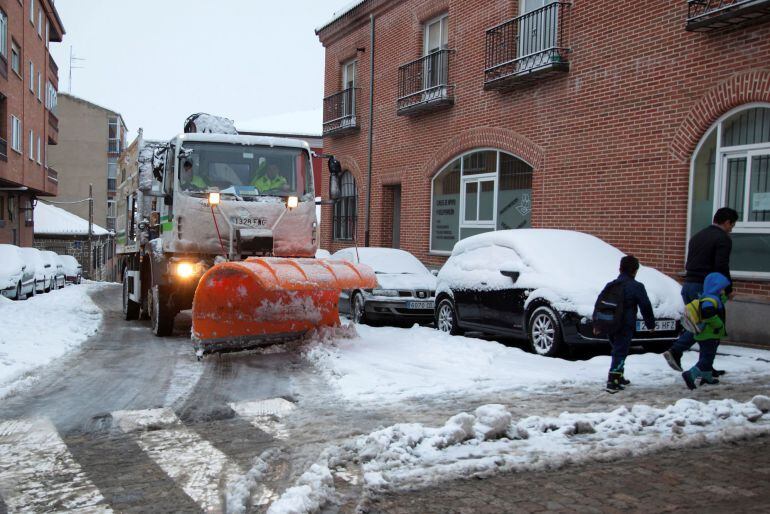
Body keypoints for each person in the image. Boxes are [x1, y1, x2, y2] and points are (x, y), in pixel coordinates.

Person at [663, 207, 738, 373]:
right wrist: (728, 289)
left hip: (688, 285)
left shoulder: (698, 235)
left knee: (699, 323)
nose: (731, 229)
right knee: (710, 325)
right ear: (727, 222)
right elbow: (721, 266)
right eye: (732, 225)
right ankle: (677, 351)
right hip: (705, 289)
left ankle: (706, 367)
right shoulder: (722, 239)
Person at [605, 255, 656, 393]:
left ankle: (619, 376)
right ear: (635, 271)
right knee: (620, 352)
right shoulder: (637, 287)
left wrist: (598, 325)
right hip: (625, 325)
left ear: (620, 269)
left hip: (610, 324)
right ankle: (613, 380)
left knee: (618, 350)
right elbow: (645, 306)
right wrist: (650, 324)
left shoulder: (611, 285)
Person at [681, 272, 730, 390]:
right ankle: (691, 374)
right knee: (707, 357)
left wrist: (723, 296)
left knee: (706, 354)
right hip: (710, 333)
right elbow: (708, 313)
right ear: (715, 287)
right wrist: (718, 325)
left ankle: (707, 376)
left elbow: (718, 304)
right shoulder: (711, 299)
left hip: (704, 334)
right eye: (721, 288)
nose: (723, 290)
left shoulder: (708, 296)